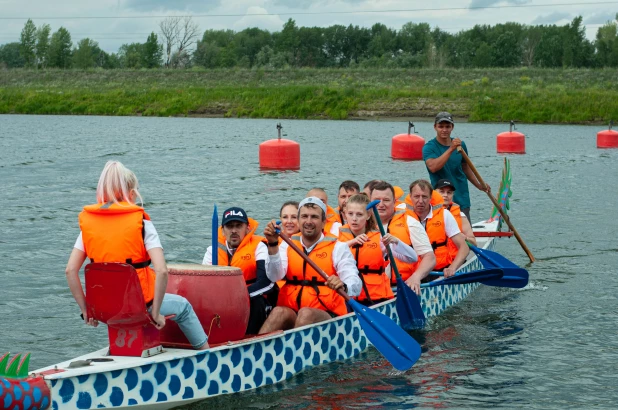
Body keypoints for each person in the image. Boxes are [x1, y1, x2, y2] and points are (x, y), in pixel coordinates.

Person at [65, 160, 208, 350]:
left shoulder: (89, 226)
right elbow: (162, 271)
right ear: (131, 194)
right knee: (183, 307)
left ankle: (122, 353)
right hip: (138, 306)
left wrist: (87, 311)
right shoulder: (141, 222)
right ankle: (206, 355)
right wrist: (155, 313)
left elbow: (70, 271)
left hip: (104, 308)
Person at [259, 197, 362, 333]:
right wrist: (272, 245)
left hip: (327, 313)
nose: (308, 221)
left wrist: (343, 285)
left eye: (314, 217)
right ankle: (259, 349)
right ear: (299, 220)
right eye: (304, 216)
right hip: (293, 310)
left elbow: (355, 282)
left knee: (306, 314)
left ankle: (294, 349)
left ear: (323, 222)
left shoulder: (338, 247)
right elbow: (274, 276)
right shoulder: (286, 244)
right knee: (278, 312)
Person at [202, 207, 277, 335]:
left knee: (256, 302)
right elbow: (204, 284)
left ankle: (248, 339)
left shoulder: (259, 246)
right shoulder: (212, 250)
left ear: (247, 228)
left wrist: (239, 297)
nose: (234, 231)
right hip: (222, 301)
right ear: (222, 230)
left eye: (238, 226)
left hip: (253, 301)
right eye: (230, 227)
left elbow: (266, 282)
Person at [339, 194, 418, 305]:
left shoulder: (379, 238)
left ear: (368, 215)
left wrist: (397, 242)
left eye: (359, 214)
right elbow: (332, 254)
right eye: (350, 214)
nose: (354, 218)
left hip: (376, 297)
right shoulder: (337, 236)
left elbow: (412, 258)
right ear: (345, 215)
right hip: (348, 296)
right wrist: (352, 242)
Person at [369, 181, 436, 294]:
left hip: (406, 285)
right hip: (374, 289)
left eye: (386, 200)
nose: (381, 204)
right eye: (376, 200)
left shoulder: (409, 222)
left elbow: (430, 258)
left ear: (394, 202)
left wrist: (416, 277)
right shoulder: (362, 225)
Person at [422, 111, 489, 221]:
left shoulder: (461, 146)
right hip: (441, 200)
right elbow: (433, 167)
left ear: (452, 127)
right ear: (435, 127)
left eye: (447, 126)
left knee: (465, 234)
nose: (444, 130)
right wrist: (451, 149)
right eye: (441, 126)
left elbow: (465, 167)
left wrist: (478, 185)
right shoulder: (429, 147)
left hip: (461, 198)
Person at [406, 180, 469, 278]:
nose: (421, 201)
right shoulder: (402, 215)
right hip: (411, 271)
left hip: (438, 270)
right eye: (416, 196)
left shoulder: (444, 215)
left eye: (425, 197)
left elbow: (464, 247)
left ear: (431, 197)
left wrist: (452, 268)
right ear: (410, 197)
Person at [434, 179, 477, 247]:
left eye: (449, 192)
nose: (445, 195)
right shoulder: (426, 213)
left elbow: (474, 243)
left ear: (453, 195)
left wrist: (465, 238)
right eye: (442, 192)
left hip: (456, 256)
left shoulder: (461, 215)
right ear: (434, 193)